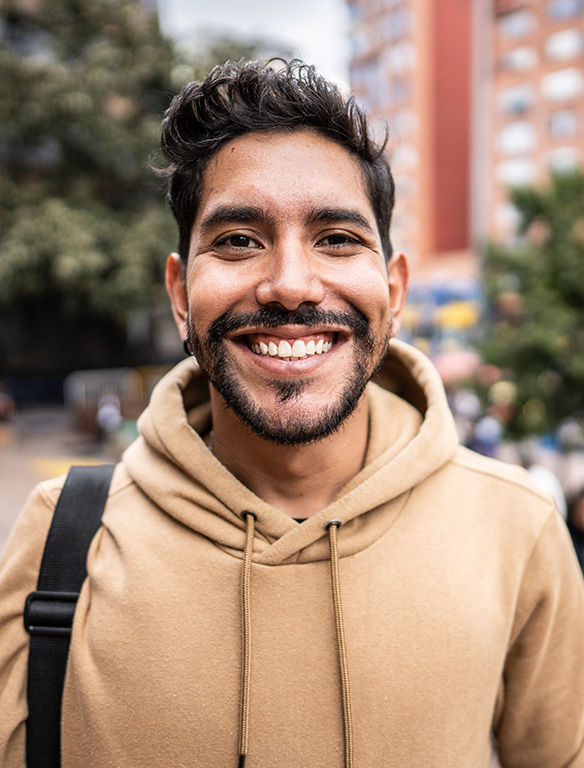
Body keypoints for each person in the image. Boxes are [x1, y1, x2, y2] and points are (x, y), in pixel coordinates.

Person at [1, 59, 583, 768]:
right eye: (239, 240)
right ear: (181, 294)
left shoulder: (516, 527)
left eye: (337, 238)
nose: (289, 284)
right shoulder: (62, 537)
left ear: (395, 292)